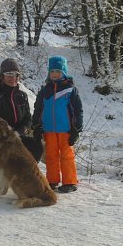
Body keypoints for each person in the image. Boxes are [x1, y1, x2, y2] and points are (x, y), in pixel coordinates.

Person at [32, 56, 83, 193]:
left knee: (67, 156)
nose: (55, 74)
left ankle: (69, 182)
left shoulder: (70, 90)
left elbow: (78, 111)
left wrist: (76, 129)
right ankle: (52, 181)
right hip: (48, 130)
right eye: (52, 71)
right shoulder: (44, 91)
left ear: (64, 72)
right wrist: (36, 126)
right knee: (51, 155)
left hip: (66, 130)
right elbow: (38, 109)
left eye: (58, 71)